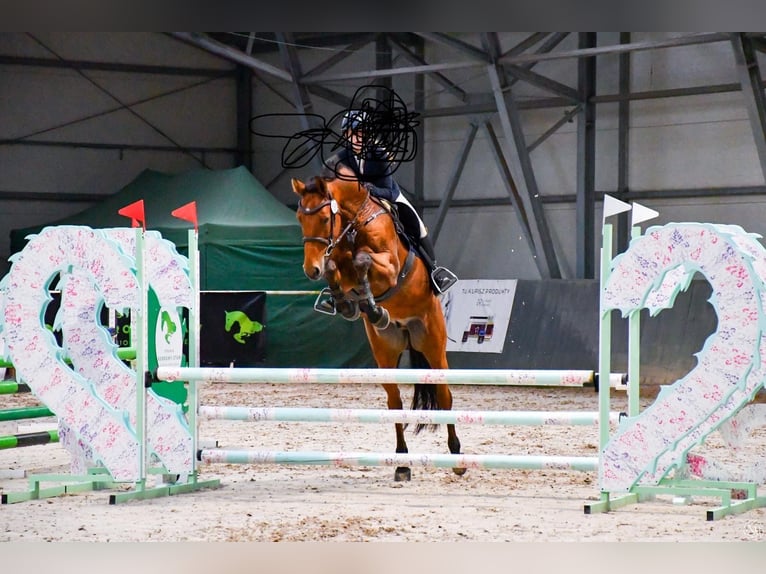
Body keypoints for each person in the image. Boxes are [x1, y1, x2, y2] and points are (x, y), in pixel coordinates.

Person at [327, 109, 458, 294]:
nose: (355, 139)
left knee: (417, 225)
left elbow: (387, 190)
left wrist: (369, 190)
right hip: (358, 205)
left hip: (385, 196)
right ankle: (334, 289)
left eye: (359, 134)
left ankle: (434, 272)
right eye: (350, 135)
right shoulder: (342, 156)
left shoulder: (379, 154)